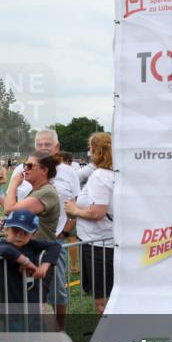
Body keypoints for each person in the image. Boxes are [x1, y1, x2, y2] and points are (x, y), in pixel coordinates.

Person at [65, 133, 114, 315]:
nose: (88, 151)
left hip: (99, 245)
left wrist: (74, 210)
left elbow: (97, 212)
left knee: (103, 302)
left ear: (95, 150)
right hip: (102, 242)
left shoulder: (100, 175)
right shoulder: (112, 173)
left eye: (90, 148)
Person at [0, 210, 61, 322]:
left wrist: (44, 266)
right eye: (15, 230)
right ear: (6, 229)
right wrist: (28, 263)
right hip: (13, 307)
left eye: (25, 232)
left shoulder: (31, 245)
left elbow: (55, 246)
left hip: (33, 305)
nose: (19, 236)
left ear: (33, 234)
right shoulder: (4, 245)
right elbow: (4, 250)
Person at [2, 151, 61, 240]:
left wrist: (14, 183)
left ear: (44, 170)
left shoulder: (46, 192)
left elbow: (9, 209)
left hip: (40, 251)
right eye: (24, 165)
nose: (25, 168)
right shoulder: (38, 190)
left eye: (30, 166)